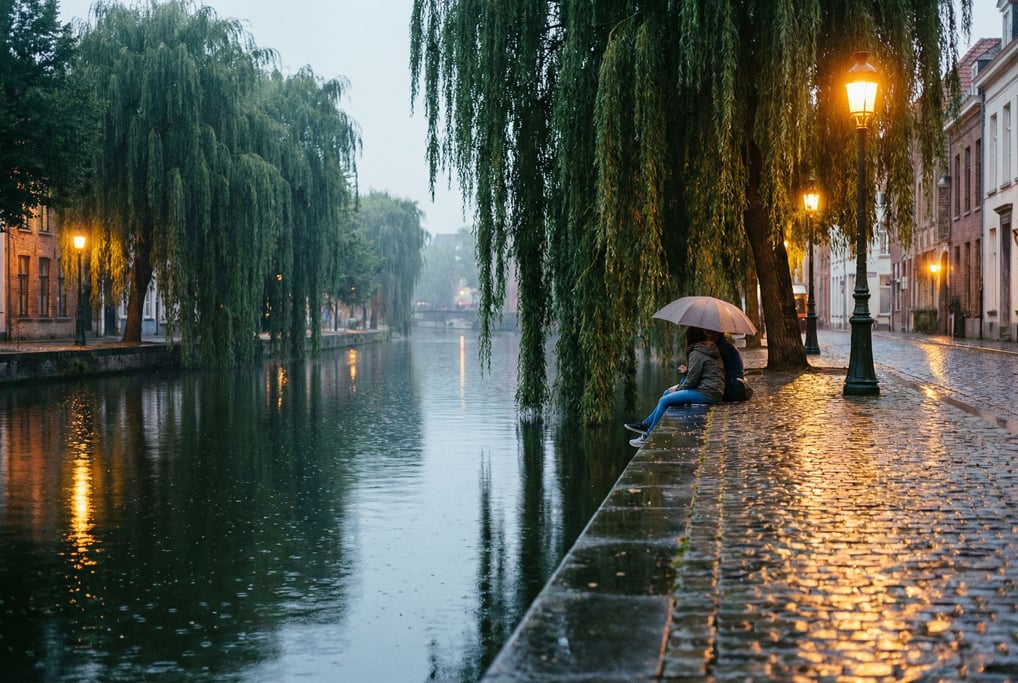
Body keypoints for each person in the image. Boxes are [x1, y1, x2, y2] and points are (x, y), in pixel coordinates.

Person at [624, 327, 725, 447]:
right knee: (667, 392)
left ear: (690, 339)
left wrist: (678, 388)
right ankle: (646, 425)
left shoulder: (696, 352)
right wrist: (686, 374)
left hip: (708, 393)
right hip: (712, 390)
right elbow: (701, 374)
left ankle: (648, 436)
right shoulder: (707, 349)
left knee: (664, 400)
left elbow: (692, 381)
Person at [705, 329, 753, 402]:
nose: (706, 335)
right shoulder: (723, 345)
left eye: (708, 333)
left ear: (716, 333)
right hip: (733, 384)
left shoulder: (722, 348)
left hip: (732, 387)